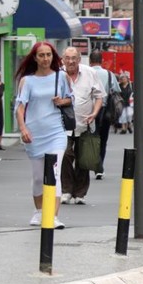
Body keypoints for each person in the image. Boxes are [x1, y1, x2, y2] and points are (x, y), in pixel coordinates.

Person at [14, 41, 70, 228]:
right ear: (35, 58)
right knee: (39, 177)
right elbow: (20, 108)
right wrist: (23, 129)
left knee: (54, 172)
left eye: (48, 55)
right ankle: (39, 212)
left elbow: (71, 99)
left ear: (53, 56)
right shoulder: (27, 81)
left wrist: (61, 101)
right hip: (34, 133)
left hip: (56, 132)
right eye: (41, 55)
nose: (46, 59)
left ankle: (52, 216)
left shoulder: (61, 77)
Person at [58, 47, 105, 206]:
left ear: (79, 59)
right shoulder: (58, 75)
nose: (71, 61)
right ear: (63, 59)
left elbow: (99, 97)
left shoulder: (90, 73)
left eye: (74, 58)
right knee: (64, 155)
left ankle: (80, 193)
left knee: (83, 159)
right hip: (63, 125)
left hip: (84, 123)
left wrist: (94, 113)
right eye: (67, 58)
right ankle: (66, 190)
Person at [89, 50, 115, 179]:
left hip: (88, 111)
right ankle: (100, 166)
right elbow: (116, 89)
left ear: (90, 61)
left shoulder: (86, 73)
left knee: (91, 139)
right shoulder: (109, 74)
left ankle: (95, 164)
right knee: (103, 140)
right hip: (105, 111)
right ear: (101, 60)